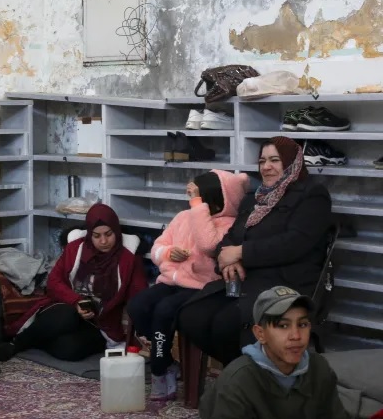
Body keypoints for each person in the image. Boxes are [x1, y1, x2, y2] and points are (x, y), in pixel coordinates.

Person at [177, 136, 332, 366]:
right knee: (191, 316)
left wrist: (241, 253)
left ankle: (245, 377)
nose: (266, 167)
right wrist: (228, 260)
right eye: (262, 161)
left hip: (286, 283)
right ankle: (240, 372)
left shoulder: (312, 195)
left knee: (225, 324)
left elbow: (294, 243)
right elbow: (228, 239)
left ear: (291, 162)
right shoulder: (255, 198)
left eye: (275, 160)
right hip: (245, 281)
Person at [126, 170, 248, 400]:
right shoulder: (183, 217)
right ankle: (168, 362)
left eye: (200, 197)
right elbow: (157, 248)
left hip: (201, 287)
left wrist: (197, 207)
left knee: (163, 312)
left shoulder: (229, 225)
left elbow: (208, 245)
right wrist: (168, 253)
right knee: (137, 306)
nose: (194, 200)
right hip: (171, 280)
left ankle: (159, 370)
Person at [0, 204, 147, 362]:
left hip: (101, 324)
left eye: (108, 234)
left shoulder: (129, 258)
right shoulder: (76, 248)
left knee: (69, 350)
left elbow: (139, 296)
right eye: (96, 236)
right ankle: (17, 344)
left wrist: (135, 333)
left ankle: (38, 339)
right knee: (66, 316)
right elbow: (54, 281)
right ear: (89, 235)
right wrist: (76, 301)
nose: (103, 241)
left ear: (116, 231)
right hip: (69, 308)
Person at [199, 286, 350, 419]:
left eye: (303, 324)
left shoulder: (319, 368)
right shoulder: (238, 381)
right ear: (260, 334)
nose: (296, 336)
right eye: (283, 326)